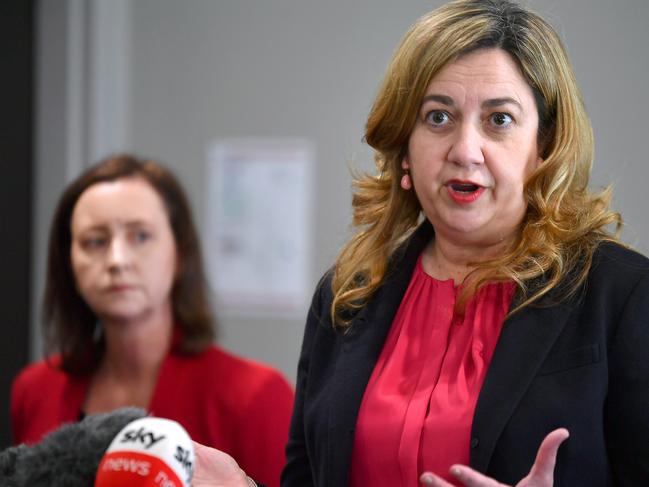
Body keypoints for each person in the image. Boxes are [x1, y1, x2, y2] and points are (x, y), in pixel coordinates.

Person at [187, 0, 649, 486]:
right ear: (404, 147)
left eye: (500, 120)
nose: (465, 150)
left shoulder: (623, 297)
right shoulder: (347, 296)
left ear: (545, 148)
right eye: (437, 117)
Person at [10, 154, 295, 487]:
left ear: (180, 253)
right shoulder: (34, 389)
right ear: (69, 261)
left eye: (141, 236)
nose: (117, 260)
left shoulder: (255, 395)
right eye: (95, 241)